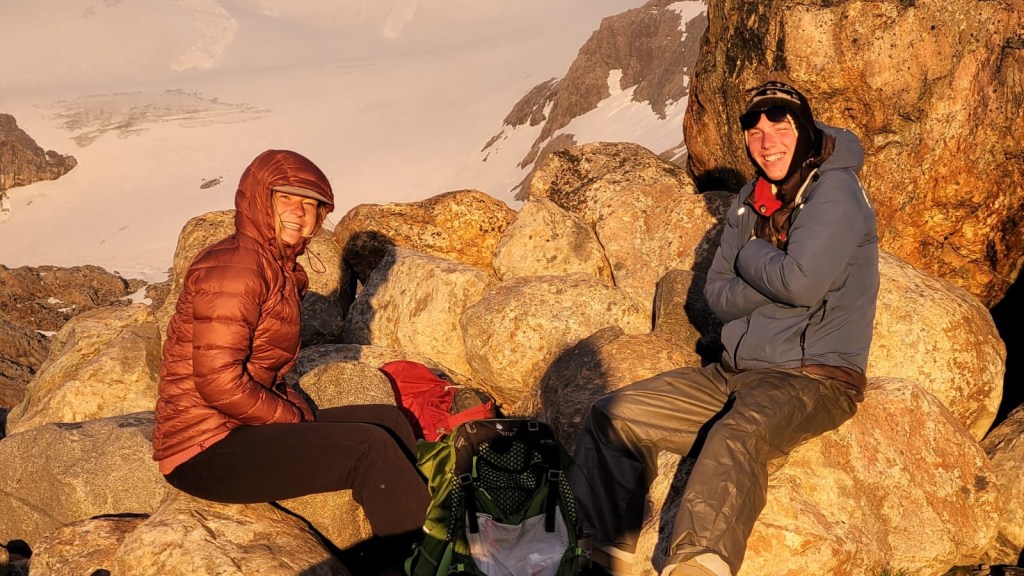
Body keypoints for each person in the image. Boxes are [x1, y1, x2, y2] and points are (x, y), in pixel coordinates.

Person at [570, 81, 879, 576]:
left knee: (736, 435)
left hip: (812, 379)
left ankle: (697, 565)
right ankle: (603, 559)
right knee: (615, 417)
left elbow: (801, 284)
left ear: (803, 129)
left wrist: (752, 255)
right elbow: (718, 295)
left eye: (780, 126)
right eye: (755, 132)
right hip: (732, 373)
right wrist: (774, 270)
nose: (767, 142)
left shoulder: (835, 190)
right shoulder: (749, 199)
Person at [152, 149, 429, 573]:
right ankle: (424, 563)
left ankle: (405, 543)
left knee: (388, 421)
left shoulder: (274, 266)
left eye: (312, 204)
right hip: (203, 450)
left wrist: (293, 408)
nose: (301, 212)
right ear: (259, 200)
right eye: (286, 199)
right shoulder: (237, 267)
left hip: (237, 428)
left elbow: (259, 371)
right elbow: (218, 382)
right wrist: (291, 417)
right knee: (370, 449)